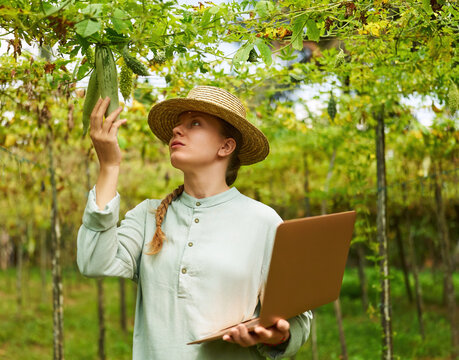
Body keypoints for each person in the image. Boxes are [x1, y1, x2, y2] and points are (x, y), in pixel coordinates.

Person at [77, 86, 312, 360]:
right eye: (177, 124)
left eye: (195, 123)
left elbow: (298, 317)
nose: (177, 130)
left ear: (226, 146)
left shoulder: (263, 221)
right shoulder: (148, 216)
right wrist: (109, 167)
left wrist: (275, 336)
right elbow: (93, 261)